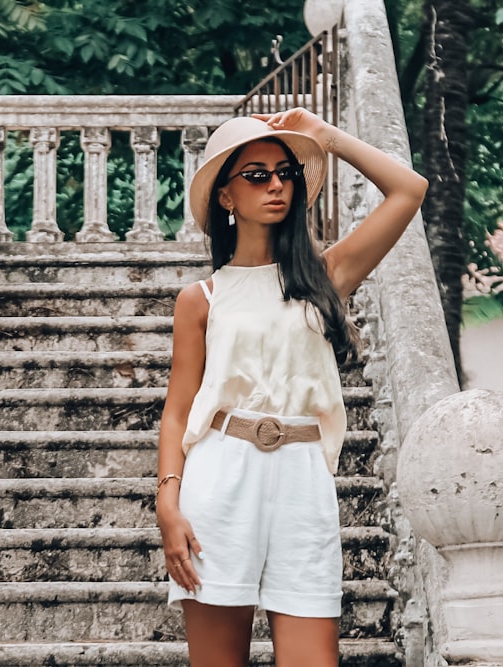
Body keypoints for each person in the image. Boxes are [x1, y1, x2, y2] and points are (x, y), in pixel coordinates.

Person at [155, 107, 427, 667]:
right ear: (226, 197)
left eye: (285, 172)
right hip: (220, 476)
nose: (276, 184)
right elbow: (178, 411)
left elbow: (409, 190)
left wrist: (325, 137)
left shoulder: (324, 277)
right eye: (256, 175)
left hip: (303, 479)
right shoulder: (200, 300)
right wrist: (168, 503)